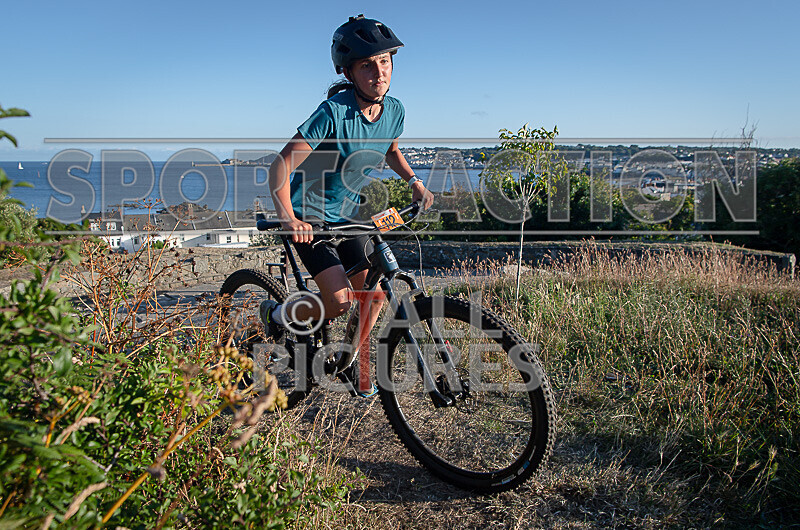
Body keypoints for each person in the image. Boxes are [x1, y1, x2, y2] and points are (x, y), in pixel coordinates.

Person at [261, 14, 433, 394]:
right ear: (349, 71)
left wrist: (415, 182)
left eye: (385, 62)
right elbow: (280, 165)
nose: (379, 72)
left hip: (349, 215)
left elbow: (391, 150)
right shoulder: (333, 113)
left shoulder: (395, 110)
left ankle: (348, 362)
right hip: (312, 217)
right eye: (367, 65)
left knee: (373, 293)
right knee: (339, 302)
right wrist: (288, 217)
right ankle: (276, 313)